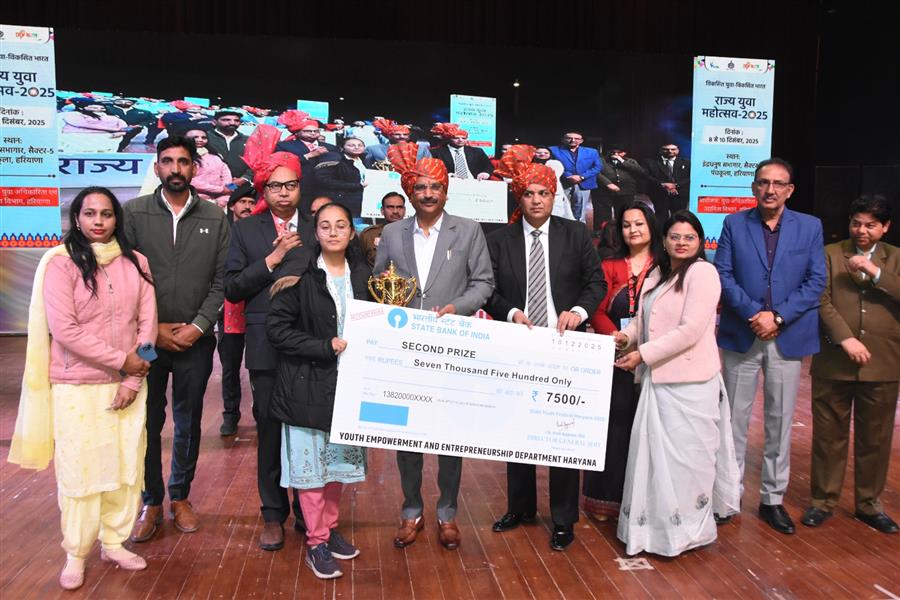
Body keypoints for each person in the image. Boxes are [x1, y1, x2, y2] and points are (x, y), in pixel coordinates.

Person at [10, 186, 157, 590]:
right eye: (90, 213)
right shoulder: (60, 264)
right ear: (76, 218)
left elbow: (148, 327)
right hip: (77, 386)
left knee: (126, 466)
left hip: (129, 386)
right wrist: (122, 360)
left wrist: (133, 376)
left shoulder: (136, 262)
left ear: (116, 219)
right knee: (81, 470)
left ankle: (115, 542)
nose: (98, 221)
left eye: (106, 214)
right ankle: (76, 552)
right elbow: (65, 330)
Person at [374, 142, 493, 551]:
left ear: (446, 190)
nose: (428, 194)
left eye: (435, 187)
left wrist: (458, 308)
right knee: (406, 436)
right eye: (420, 187)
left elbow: (484, 282)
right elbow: (381, 282)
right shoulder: (392, 233)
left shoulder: (469, 229)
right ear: (410, 192)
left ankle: (447, 512)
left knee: (448, 434)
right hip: (405, 348)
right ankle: (411, 509)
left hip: (450, 345)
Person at [485, 148, 605, 551]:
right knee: (518, 428)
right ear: (518, 198)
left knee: (561, 432)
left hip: (565, 344)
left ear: (554, 196)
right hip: (518, 340)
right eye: (528, 194)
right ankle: (520, 508)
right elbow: (489, 290)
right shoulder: (498, 240)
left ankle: (564, 518)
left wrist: (578, 312)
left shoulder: (575, 235)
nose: (536, 200)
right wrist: (511, 312)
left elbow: (595, 283)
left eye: (543, 193)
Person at [615, 210, 741, 557]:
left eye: (689, 237)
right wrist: (625, 338)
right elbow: (644, 320)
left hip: (692, 385)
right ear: (664, 240)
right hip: (659, 381)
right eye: (675, 236)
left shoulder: (703, 273)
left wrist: (642, 355)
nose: (681, 243)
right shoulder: (658, 273)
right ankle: (654, 532)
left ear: (700, 241)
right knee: (657, 465)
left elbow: (690, 330)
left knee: (688, 465)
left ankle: (688, 532)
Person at [124, 136, 231, 542]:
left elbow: (221, 280)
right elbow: (122, 277)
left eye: (183, 162)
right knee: (147, 419)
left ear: (194, 169)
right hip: (147, 341)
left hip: (194, 340)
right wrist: (152, 330)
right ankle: (151, 501)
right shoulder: (134, 213)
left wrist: (199, 325)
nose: (175, 168)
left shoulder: (215, 217)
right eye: (167, 161)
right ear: (156, 168)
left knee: (188, 420)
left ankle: (180, 496)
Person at [716, 158, 826, 534]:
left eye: (778, 184)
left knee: (780, 422)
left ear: (789, 190)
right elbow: (723, 275)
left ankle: (772, 500)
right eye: (763, 182)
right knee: (734, 421)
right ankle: (728, 496)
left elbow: (816, 281)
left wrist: (777, 317)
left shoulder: (810, 227)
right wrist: (755, 314)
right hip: (743, 332)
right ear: (753, 187)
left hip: (787, 335)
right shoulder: (734, 224)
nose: (770, 189)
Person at [267, 202, 370, 579]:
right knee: (311, 469)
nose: (333, 232)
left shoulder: (365, 276)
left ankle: (328, 528)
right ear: (315, 232)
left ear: (351, 232)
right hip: (306, 386)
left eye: (341, 225)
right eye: (325, 226)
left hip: (348, 386)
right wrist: (323, 346)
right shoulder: (299, 274)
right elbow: (277, 330)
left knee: (338, 466)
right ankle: (316, 542)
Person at [225, 126, 315, 550]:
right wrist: (273, 258)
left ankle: (309, 511)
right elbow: (233, 288)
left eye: (290, 185)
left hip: (311, 345)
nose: (283, 192)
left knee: (308, 430)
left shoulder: (317, 227)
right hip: (265, 347)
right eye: (275, 186)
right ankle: (273, 513)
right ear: (264, 188)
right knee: (270, 430)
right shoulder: (246, 231)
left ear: (300, 187)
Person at [803, 195, 899, 534]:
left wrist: (875, 272)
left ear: (885, 227)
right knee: (828, 436)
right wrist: (845, 338)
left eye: (870, 225)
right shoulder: (829, 254)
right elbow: (820, 300)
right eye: (856, 223)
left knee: (876, 438)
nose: (862, 230)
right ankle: (822, 501)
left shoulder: (896, 258)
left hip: (883, 363)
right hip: (834, 361)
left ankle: (869, 504)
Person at [583, 202, 663, 522]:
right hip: (617, 355)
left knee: (651, 429)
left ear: (651, 226)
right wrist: (615, 337)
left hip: (658, 357)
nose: (633, 230)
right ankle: (606, 500)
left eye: (639, 223)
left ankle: (646, 502)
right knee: (616, 428)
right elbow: (597, 309)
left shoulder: (665, 264)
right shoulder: (610, 265)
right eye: (627, 225)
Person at [216, 183, 257, 437]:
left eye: (252, 203)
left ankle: (260, 412)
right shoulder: (222, 233)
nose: (248, 207)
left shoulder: (259, 232)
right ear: (232, 206)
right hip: (228, 307)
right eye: (243, 202)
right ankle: (230, 414)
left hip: (255, 306)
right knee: (230, 367)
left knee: (257, 364)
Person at [275, 112, 339, 214]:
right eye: (308, 131)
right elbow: (281, 163)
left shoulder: (331, 147)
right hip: (300, 188)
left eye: (316, 131)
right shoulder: (285, 146)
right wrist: (309, 155)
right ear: (297, 132)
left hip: (327, 189)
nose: (313, 133)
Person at [549, 131, 602, 225]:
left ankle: (579, 230)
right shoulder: (553, 150)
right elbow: (550, 165)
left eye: (577, 138)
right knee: (559, 208)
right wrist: (568, 176)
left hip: (583, 183)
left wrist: (582, 176)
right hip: (562, 183)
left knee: (580, 211)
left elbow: (597, 167)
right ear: (563, 140)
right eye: (569, 138)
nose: (573, 140)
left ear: (581, 141)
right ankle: (560, 229)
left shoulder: (592, 151)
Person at [595, 144, 649, 226]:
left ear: (624, 153)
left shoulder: (631, 161)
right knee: (603, 215)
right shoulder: (601, 161)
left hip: (626, 192)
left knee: (623, 214)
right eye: (613, 152)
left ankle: (621, 230)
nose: (615, 154)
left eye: (619, 152)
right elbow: (596, 173)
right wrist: (608, 183)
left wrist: (622, 161)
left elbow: (641, 172)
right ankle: (602, 231)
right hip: (605, 191)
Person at [315, 137, 369, 217]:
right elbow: (323, 180)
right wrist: (356, 186)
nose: (356, 147)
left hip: (360, 200)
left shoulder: (365, 160)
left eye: (360, 145)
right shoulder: (334, 159)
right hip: (342, 199)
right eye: (351, 145)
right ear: (342, 147)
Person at [183, 127, 234, 206]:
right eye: (195, 137)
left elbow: (228, 177)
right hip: (194, 201)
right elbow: (189, 180)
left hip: (221, 202)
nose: (200, 140)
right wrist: (220, 190)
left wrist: (230, 189)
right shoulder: (183, 156)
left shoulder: (216, 155)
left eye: (204, 137)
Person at [59, 100, 134, 153]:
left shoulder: (113, 117)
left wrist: (120, 132)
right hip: (80, 137)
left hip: (107, 138)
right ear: (83, 108)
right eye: (94, 108)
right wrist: (114, 129)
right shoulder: (74, 115)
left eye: (102, 108)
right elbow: (81, 124)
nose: (99, 109)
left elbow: (125, 127)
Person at [429, 123, 494, 180]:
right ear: (449, 138)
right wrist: (447, 175)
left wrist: (486, 173)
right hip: (450, 182)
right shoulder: (436, 152)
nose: (460, 140)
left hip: (474, 181)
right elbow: (432, 169)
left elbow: (489, 165)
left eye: (463, 138)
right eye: (456, 138)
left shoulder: (477, 151)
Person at [359, 192, 407, 267]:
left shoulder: (414, 233)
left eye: (399, 207)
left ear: (404, 210)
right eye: (390, 207)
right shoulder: (368, 235)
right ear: (382, 210)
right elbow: (358, 264)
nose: (395, 211)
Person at [205, 110, 253, 185]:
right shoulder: (204, 138)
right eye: (226, 120)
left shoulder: (248, 140)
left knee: (231, 190)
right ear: (214, 122)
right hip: (208, 183)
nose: (232, 123)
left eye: (236, 120)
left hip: (238, 182)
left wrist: (245, 178)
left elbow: (256, 161)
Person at [646, 143, 690, 221]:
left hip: (680, 194)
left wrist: (676, 185)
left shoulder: (687, 162)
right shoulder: (651, 162)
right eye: (666, 149)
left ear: (678, 150)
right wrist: (663, 185)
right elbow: (647, 177)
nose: (670, 151)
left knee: (679, 218)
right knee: (660, 219)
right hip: (659, 194)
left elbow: (690, 177)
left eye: (673, 149)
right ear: (660, 150)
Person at [364, 119, 431, 169]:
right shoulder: (373, 149)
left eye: (405, 134)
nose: (402, 137)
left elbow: (429, 166)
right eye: (397, 134)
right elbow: (368, 169)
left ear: (408, 136)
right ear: (389, 136)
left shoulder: (421, 150)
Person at [533, 146, 575, 219]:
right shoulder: (529, 164)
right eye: (539, 153)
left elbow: (551, 176)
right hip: (535, 193)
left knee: (556, 215)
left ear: (550, 154)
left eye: (546, 153)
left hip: (553, 193)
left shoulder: (554, 163)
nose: (542, 154)